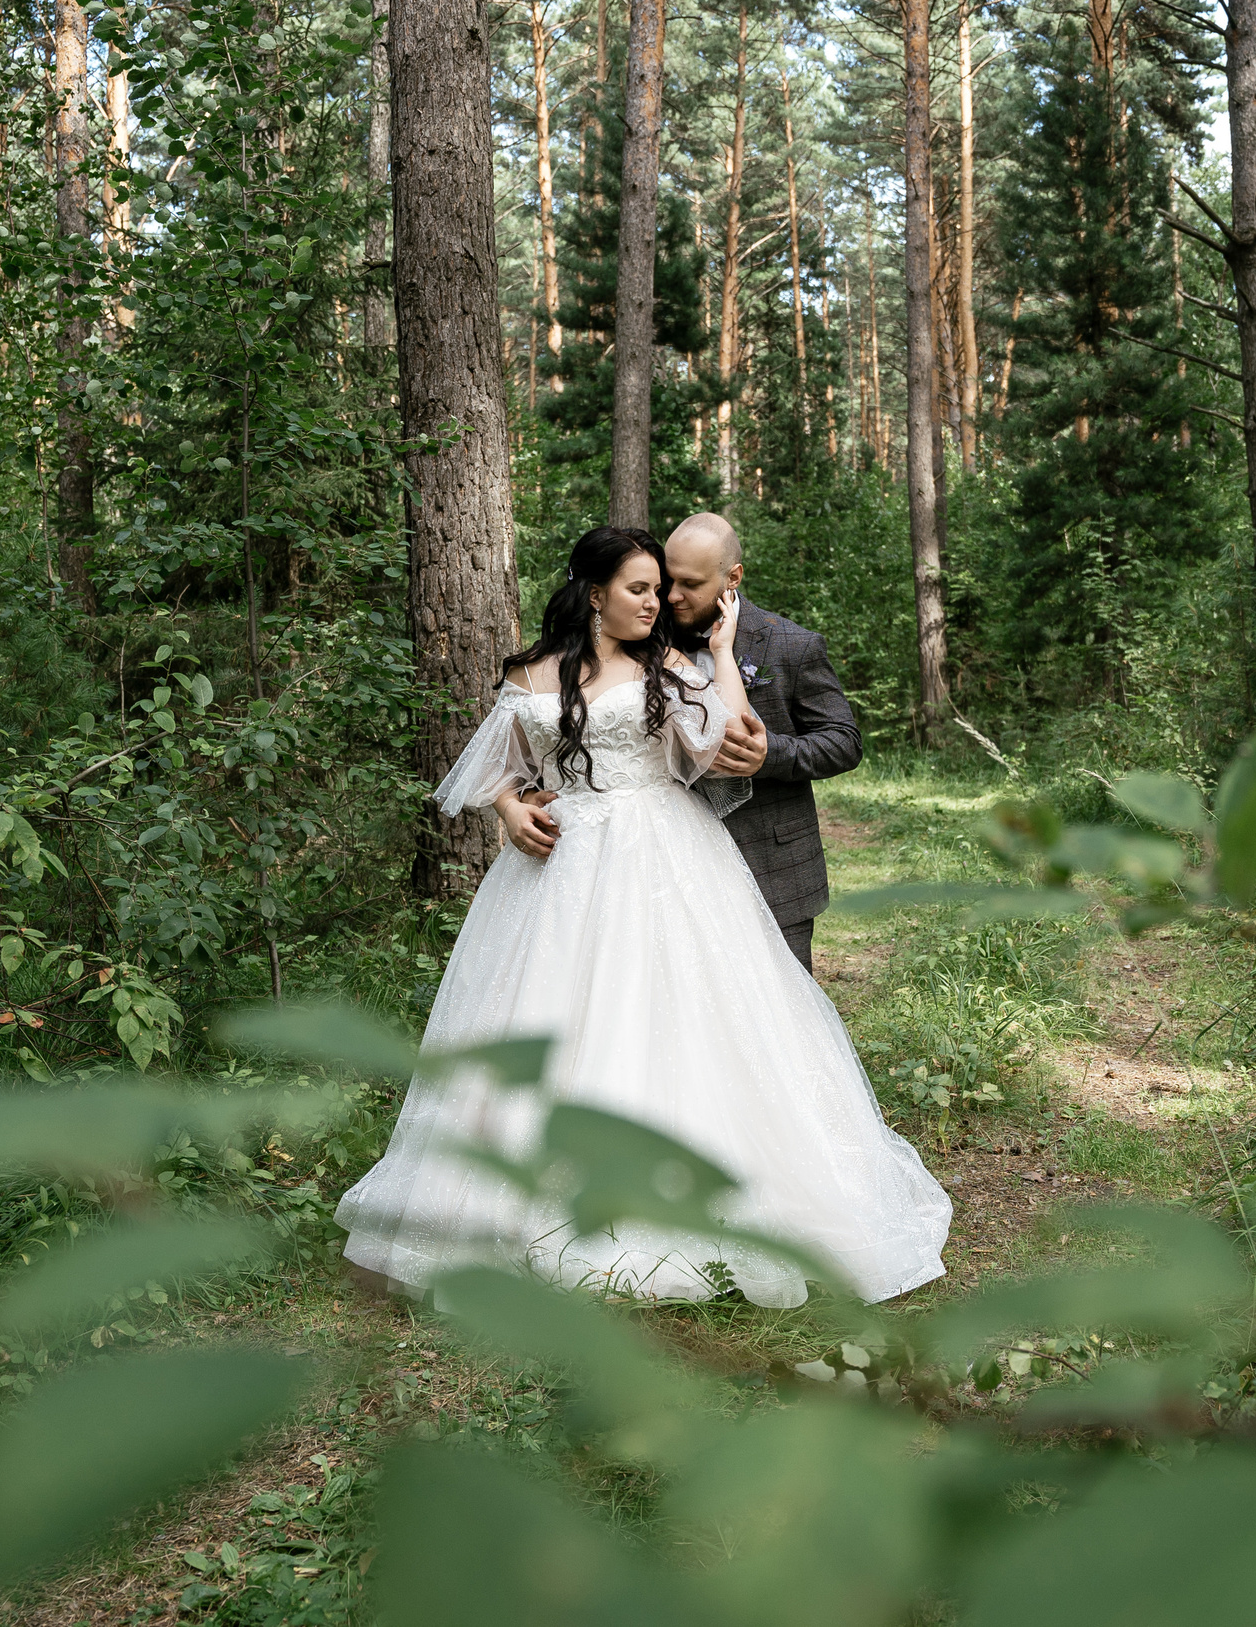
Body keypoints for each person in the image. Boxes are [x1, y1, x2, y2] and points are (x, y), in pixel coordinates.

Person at [334, 527, 950, 1308]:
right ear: (595, 594)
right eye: (639, 588)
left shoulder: (667, 665)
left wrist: (722, 652)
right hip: (561, 873)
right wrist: (508, 810)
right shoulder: (531, 674)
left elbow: (727, 738)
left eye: (660, 589)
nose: (656, 602)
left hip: (668, 857)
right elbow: (495, 764)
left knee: (685, 1017)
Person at [500, 513, 862, 974]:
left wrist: (773, 753)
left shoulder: (791, 645)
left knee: (773, 1008)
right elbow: (570, 723)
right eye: (665, 581)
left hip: (768, 857)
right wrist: (519, 799)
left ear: (732, 578)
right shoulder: (640, 627)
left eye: (688, 584)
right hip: (641, 866)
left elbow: (843, 742)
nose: (669, 597)